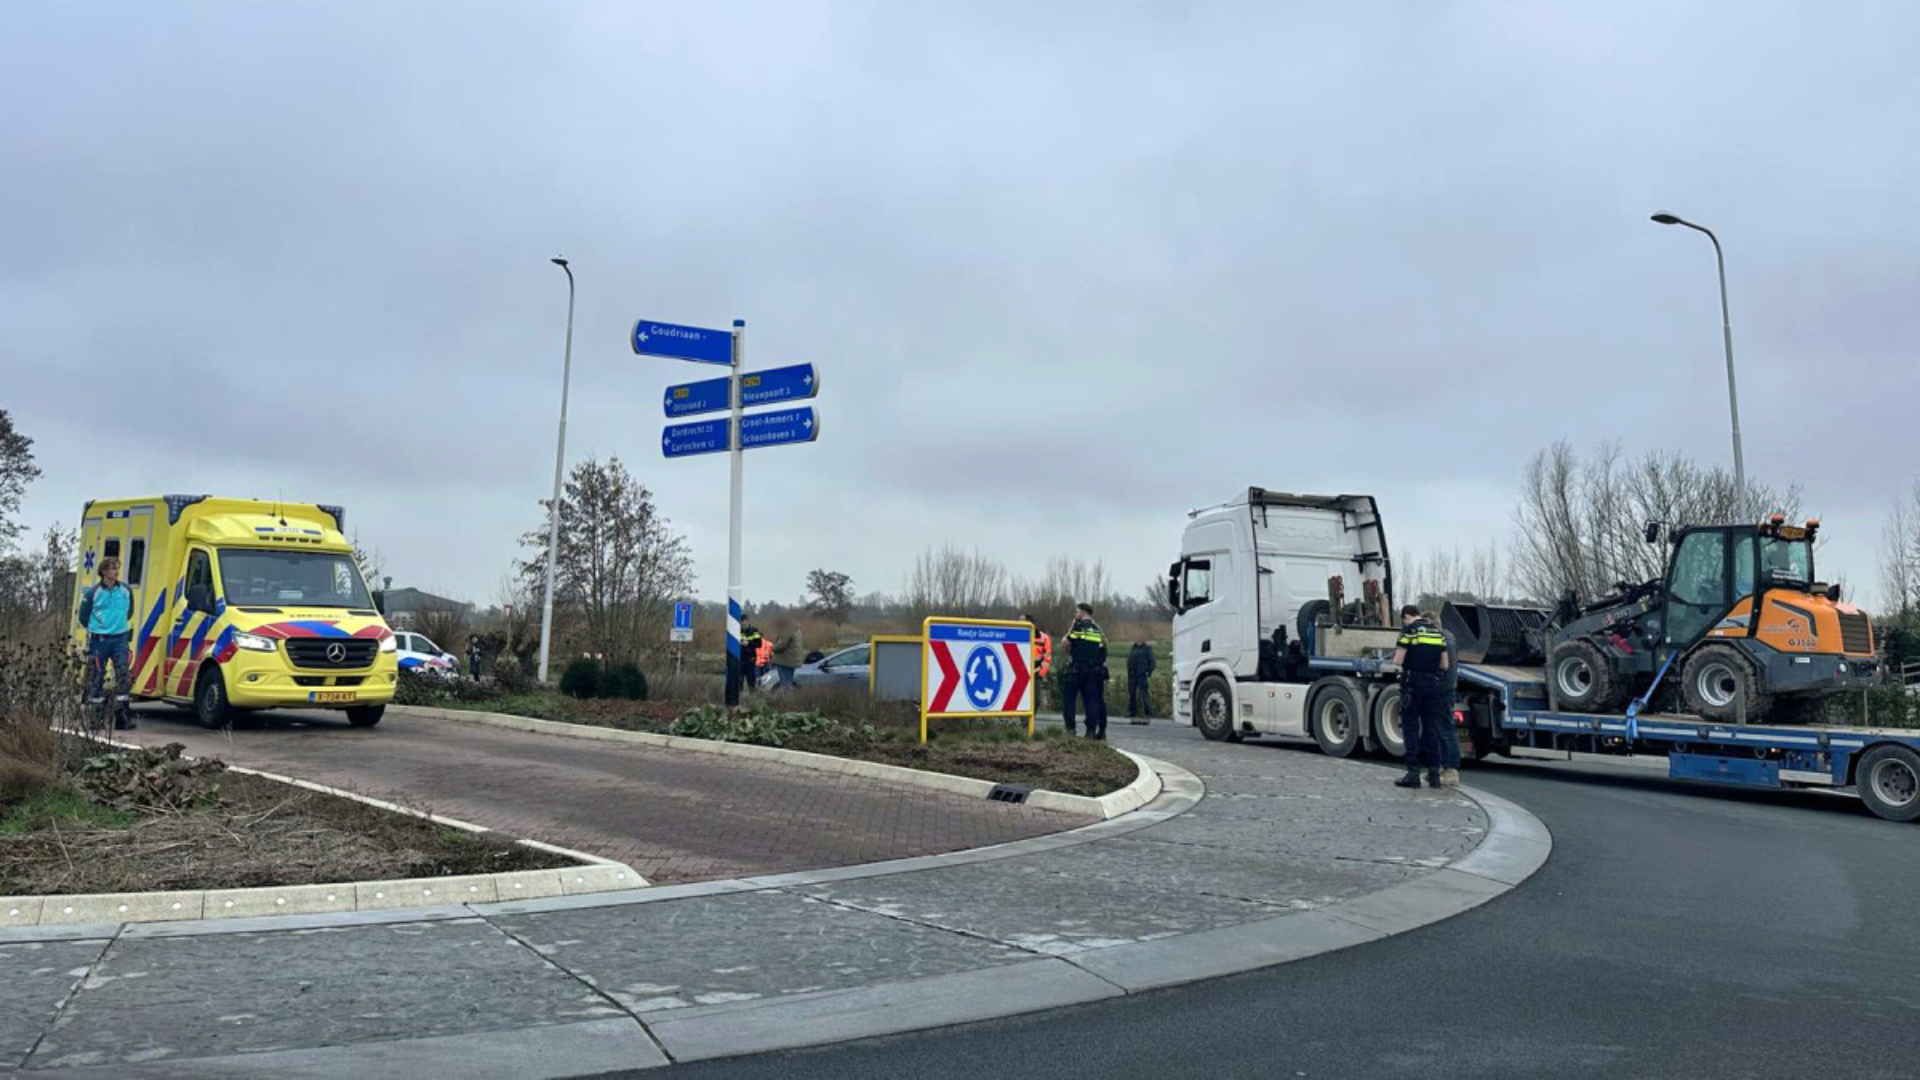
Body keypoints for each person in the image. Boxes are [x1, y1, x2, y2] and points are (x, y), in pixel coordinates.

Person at [1390, 605, 1449, 789]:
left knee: (1411, 728)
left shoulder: (1409, 631)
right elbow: (1445, 665)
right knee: (1431, 728)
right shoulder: (1438, 633)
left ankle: (1413, 774)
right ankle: (1434, 775)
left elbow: (1398, 660)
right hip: (1433, 685)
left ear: (1407, 616)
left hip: (1413, 684)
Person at [77, 555, 137, 730]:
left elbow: (130, 611)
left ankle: (122, 716)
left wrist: (118, 625)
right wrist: (99, 627)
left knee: (123, 674)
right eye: (112, 568)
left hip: (120, 638)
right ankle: (95, 718)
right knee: (96, 676)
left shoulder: (125, 590)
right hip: (99, 641)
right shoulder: (93, 593)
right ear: (103, 571)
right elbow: (83, 616)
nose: (116, 571)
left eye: (117, 568)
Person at [1061, 603, 1109, 740]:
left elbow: (1064, 644)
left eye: (1076, 612)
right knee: (1091, 702)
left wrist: (1071, 627)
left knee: (1069, 700)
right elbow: (1105, 645)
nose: (1075, 614)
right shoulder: (1097, 630)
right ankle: (1091, 731)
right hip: (1093, 670)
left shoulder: (1078, 627)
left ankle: (1070, 729)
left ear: (1082, 613)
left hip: (1076, 669)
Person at [1426, 611, 1462, 788]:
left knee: (1446, 729)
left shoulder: (1441, 640)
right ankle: (1442, 769)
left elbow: (1442, 668)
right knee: (1441, 728)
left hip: (1441, 690)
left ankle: (1451, 771)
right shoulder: (1448, 637)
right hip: (1446, 689)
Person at [1025, 614, 1052, 709]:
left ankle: (1030, 717)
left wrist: (1041, 673)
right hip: (1019, 672)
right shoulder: (1016, 636)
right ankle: (1023, 718)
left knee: (1036, 700)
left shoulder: (1044, 638)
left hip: (1036, 672)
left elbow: (1047, 657)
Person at [1126, 637, 1155, 721]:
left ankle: (1148, 711)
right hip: (1132, 674)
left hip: (1142, 674)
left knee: (1144, 693)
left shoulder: (1147, 649)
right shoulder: (1133, 648)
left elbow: (1152, 662)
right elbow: (1129, 660)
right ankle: (1132, 711)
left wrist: (1148, 671)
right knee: (1132, 693)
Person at [770, 617, 803, 689]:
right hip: (793, 660)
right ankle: (789, 695)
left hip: (785, 661)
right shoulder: (796, 629)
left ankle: (787, 696)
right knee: (789, 682)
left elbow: (781, 645)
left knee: (785, 684)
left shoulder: (786, 631)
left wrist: (772, 647)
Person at [739, 619, 764, 692]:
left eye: (744, 624)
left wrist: (748, 643)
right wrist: (740, 644)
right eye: (741, 624)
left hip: (750, 659)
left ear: (748, 622)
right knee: (739, 681)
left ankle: (752, 695)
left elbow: (759, 644)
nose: (743, 625)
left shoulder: (754, 631)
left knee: (751, 681)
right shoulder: (737, 631)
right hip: (740, 659)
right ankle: (739, 695)